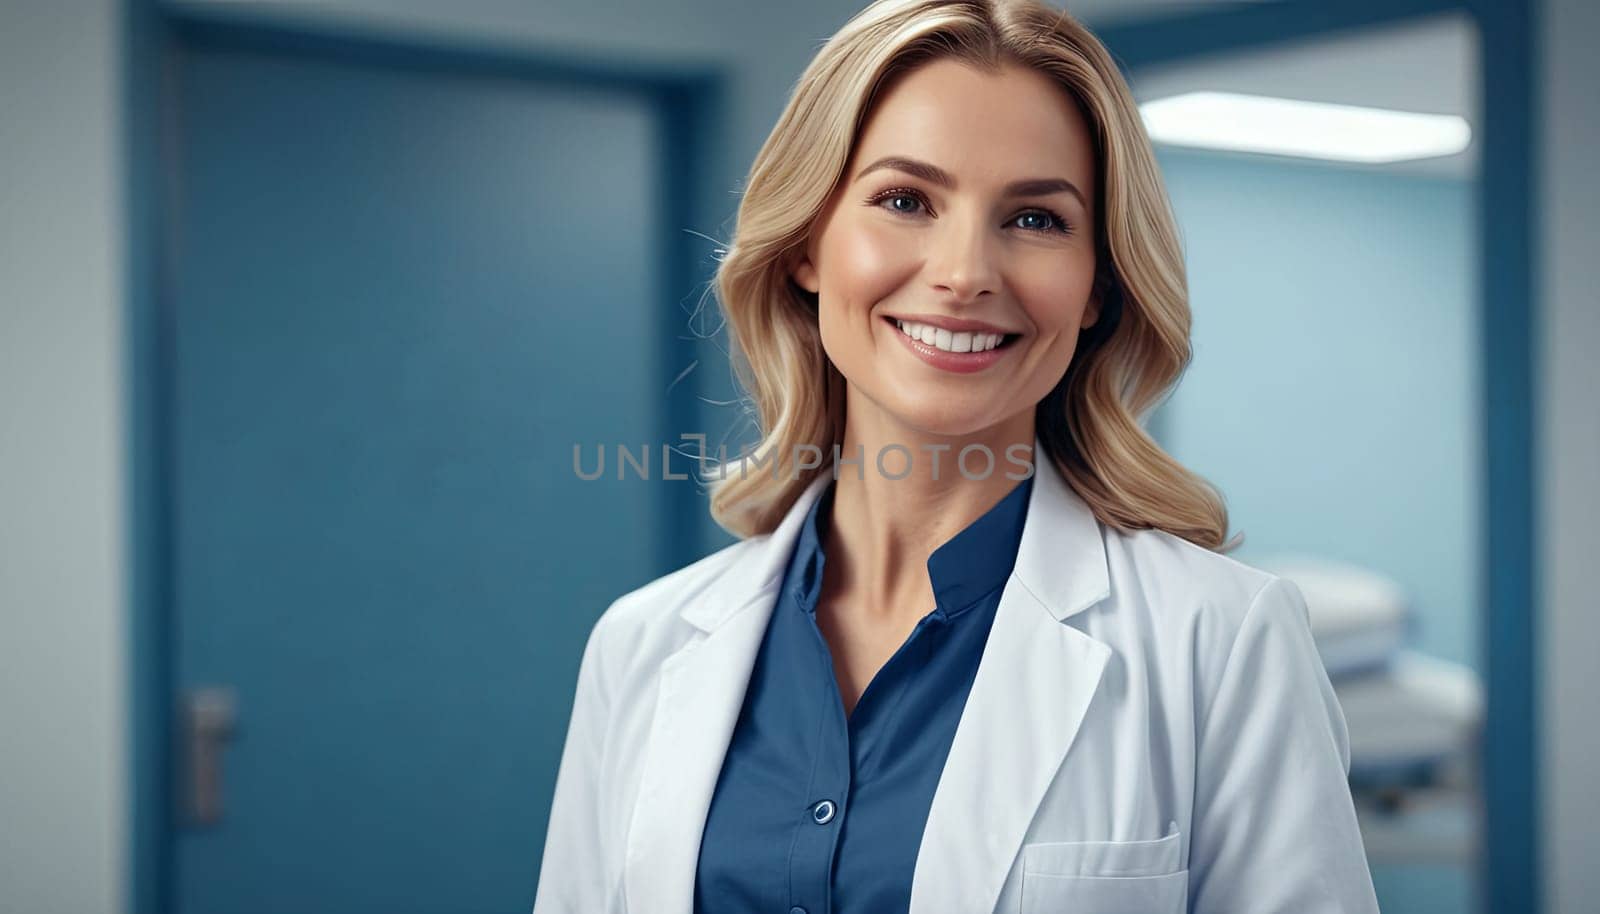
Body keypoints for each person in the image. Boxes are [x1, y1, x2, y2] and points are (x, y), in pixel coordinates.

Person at [533, 0, 1382, 911]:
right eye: (905, 201)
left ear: (1098, 284)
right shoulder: (643, 645)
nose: (965, 270)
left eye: (1037, 220)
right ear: (808, 245)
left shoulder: (1220, 641)